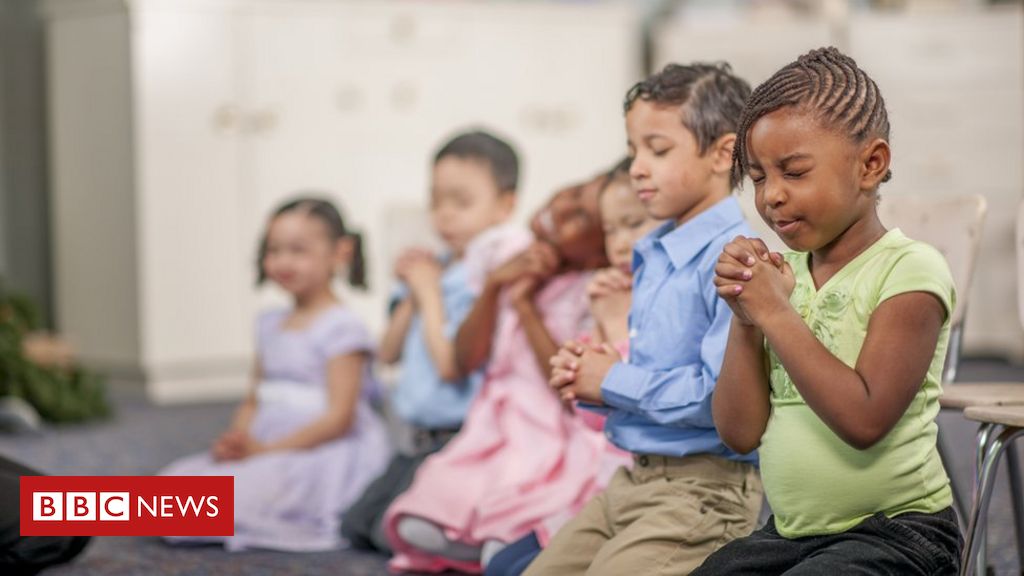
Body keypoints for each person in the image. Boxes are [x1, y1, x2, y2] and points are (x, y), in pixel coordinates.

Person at [693, 46, 962, 575]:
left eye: (793, 172)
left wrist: (775, 313)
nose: (771, 196)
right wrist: (745, 319)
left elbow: (865, 420)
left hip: (898, 533)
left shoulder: (909, 270)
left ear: (870, 164)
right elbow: (739, 432)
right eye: (760, 177)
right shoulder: (783, 277)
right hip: (791, 534)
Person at [537, 63, 762, 576]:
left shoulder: (733, 258)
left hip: (704, 492)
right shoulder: (655, 250)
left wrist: (612, 379)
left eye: (657, 151)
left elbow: (721, 401)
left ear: (722, 153)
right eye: (634, 149)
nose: (637, 167)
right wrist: (590, 374)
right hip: (632, 480)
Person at [383, 172, 612, 574]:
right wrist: (495, 286)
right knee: (411, 524)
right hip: (489, 422)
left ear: (598, 250)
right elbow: (466, 358)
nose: (561, 209)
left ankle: (503, 546)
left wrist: (525, 306)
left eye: (580, 218)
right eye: (571, 192)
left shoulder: (590, 288)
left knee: (500, 546)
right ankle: (483, 546)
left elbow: (566, 384)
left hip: (546, 429)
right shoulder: (506, 251)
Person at [161, 197, 390, 552]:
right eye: (274, 250)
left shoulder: (342, 329)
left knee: (204, 506)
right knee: (168, 490)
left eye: (298, 250)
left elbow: (339, 419)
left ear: (340, 252)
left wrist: (266, 451)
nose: (283, 262)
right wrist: (238, 438)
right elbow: (255, 398)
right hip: (262, 444)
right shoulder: (268, 323)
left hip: (317, 451)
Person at [342, 130, 519, 554]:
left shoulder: (489, 278)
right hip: (412, 437)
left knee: (392, 534)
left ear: (505, 205)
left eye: (461, 202)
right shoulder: (433, 266)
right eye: (436, 200)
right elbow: (387, 353)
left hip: (458, 437)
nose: (444, 215)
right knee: (356, 525)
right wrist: (411, 289)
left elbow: (450, 364)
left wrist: (428, 292)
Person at [485, 158, 662, 576]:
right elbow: (587, 413)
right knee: (499, 566)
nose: (619, 243)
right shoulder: (608, 292)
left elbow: (635, 395)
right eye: (611, 229)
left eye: (632, 224)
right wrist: (600, 331)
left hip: (643, 484)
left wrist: (615, 326)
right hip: (607, 480)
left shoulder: (660, 301)